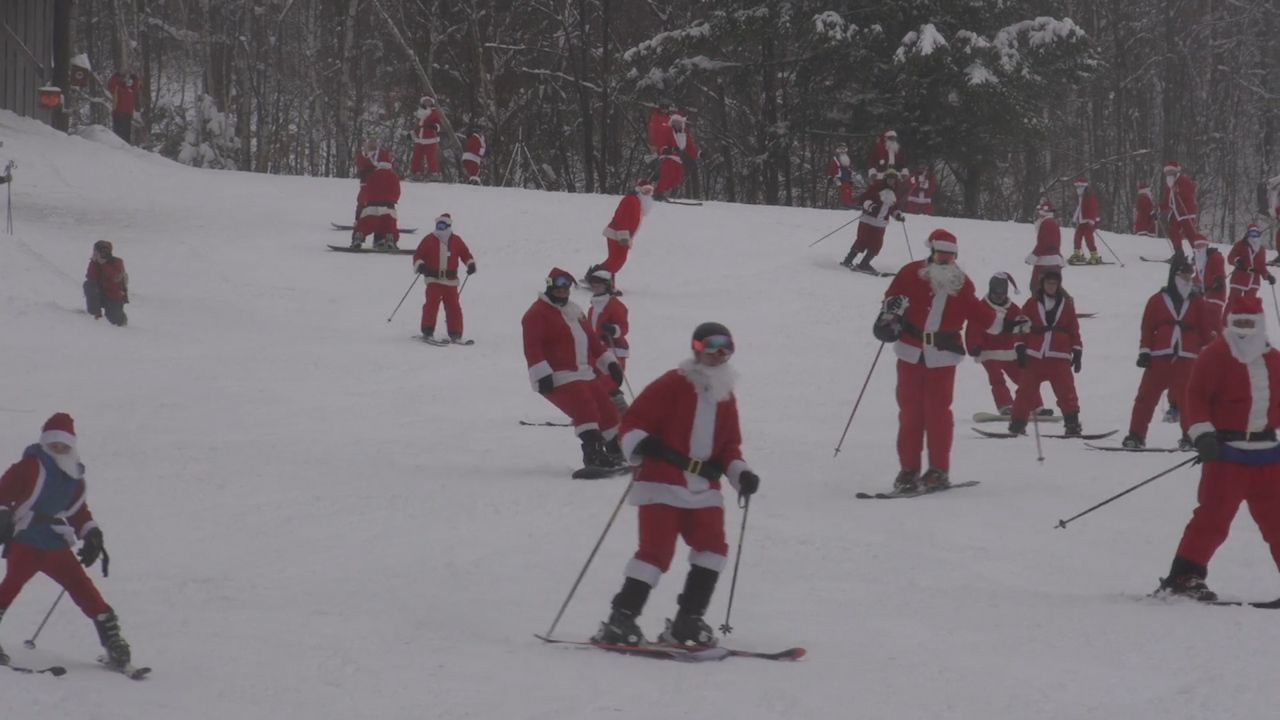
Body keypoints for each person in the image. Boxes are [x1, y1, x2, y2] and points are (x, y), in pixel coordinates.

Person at [591, 322, 759, 648]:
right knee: (656, 552)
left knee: (712, 549)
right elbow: (634, 422)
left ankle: (688, 619)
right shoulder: (674, 383)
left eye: (726, 347)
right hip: (663, 482)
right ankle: (621, 618)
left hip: (704, 488)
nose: (719, 354)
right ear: (697, 349)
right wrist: (643, 443)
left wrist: (741, 474)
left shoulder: (725, 395)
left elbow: (729, 448)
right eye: (712, 346)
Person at [873, 229, 1028, 492]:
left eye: (950, 256)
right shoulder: (910, 273)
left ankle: (938, 470)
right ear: (931, 253)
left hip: (943, 357)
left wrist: (1009, 324)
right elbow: (890, 303)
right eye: (940, 255)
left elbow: (980, 314)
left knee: (937, 415)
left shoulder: (961, 284)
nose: (944, 261)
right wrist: (890, 313)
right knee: (910, 414)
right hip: (910, 352)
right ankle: (908, 470)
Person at [1154, 295, 1280, 602]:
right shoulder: (1215, 355)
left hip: (1268, 454)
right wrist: (1202, 434)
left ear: (1261, 324)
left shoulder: (1275, 360)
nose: (1244, 331)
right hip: (1226, 454)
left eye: (1250, 324)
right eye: (1239, 323)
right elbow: (1194, 396)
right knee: (1213, 517)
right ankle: (1185, 576)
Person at [0, 413, 132, 668]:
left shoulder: (74, 476)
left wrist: (91, 533)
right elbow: (3, 492)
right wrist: (4, 515)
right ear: (45, 443)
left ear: (72, 445)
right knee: (13, 583)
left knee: (80, 585)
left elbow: (77, 512)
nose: (59, 449)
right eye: (54, 445)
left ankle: (113, 641)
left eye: (64, 445)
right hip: (26, 537)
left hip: (54, 541)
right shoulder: (30, 465)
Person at [522, 268, 627, 471]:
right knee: (585, 408)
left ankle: (615, 451)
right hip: (558, 375)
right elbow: (532, 347)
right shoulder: (537, 314)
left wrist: (610, 363)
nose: (563, 290)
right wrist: (541, 373)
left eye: (567, 286)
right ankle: (593, 456)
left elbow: (592, 341)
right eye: (559, 285)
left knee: (606, 407)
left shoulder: (574, 311)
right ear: (550, 285)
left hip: (584, 372)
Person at [1121, 258, 1214, 450]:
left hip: (1187, 357)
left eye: (1190, 275)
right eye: (1183, 274)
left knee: (1188, 399)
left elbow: (1205, 330)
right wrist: (1145, 351)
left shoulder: (1197, 302)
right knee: (1146, 397)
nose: (1187, 279)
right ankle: (1136, 434)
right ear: (1174, 276)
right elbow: (1147, 327)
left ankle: (1190, 436)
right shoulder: (1157, 300)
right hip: (1159, 356)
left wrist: (1210, 350)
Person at [1007, 269, 1084, 437]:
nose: (1051, 286)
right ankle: (1017, 424)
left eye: (1054, 283)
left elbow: (1074, 329)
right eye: (1048, 283)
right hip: (1035, 355)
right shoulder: (1031, 303)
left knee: (1066, 391)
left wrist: (1077, 350)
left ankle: (1072, 423)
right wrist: (1020, 347)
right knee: (1025, 392)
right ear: (1042, 284)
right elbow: (1021, 326)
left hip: (1059, 355)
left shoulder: (1066, 305)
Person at [965, 273, 1042, 417]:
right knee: (997, 379)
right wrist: (974, 346)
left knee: (1024, 379)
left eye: (1002, 293)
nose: (998, 296)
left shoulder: (1013, 309)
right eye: (995, 292)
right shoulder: (981, 308)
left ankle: (1036, 406)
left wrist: (1027, 344)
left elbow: (1024, 327)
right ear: (990, 290)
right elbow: (974, 329)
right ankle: (1006, 405)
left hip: (1011, 353)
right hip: (989, 353)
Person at [413, 214, 475, 343]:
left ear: (449, 226)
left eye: (443, 225)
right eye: (438, 225)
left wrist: (470, 264)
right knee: (431, 305)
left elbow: (465, 254)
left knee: (454, 307)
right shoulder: (429, 239)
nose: (440, 228)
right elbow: (418, 255)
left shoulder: (456, 241)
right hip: (434, 279)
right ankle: (428, 330)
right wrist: (420, 265)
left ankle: (455, 332)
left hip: (451, 281)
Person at [585, 267, 631, 415]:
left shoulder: (615, 305)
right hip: (597, 349)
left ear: (607, 286)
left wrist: (612, 330)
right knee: (597, 379)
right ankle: (602, 410)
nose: (596, 289)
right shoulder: (593, 307)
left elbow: (624, 327)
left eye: (599, 286)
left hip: (613, 348)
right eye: (594, 286)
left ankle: (619, 410)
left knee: (610, 380)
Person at [840, 168, 905, 272]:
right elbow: (864, 199)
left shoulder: (895, 193)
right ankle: (848, 260)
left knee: (876, 244)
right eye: (889, 179)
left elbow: (893, 208)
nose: (891, 181)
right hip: (867, 220)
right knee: (862, 241)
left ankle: (864, 263)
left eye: (893, 179)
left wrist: (897, 215)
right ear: (885, 179)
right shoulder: (875, 188)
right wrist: (871, 206)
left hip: (881, 223)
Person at [598, 179, 656, 281]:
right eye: (645, 189)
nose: (648, 192)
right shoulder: (631, 200)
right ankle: (599, 279)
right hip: (617, 234)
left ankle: (601, 279)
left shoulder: (638, 202)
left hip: (622, 235)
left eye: (650, 190)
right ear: (639, 190)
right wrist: (623, 235)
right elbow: (622, 217)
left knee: (618, 259)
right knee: (616, 259)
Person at [352, 151, 401, 251]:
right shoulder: (394, 176)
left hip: (372, 205)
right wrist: (393, 200)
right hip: (388, 206)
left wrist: (367, 201)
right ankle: (390, 238)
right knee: (389, 225)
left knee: (365, 224)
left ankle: (359, 236)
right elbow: (397, 191)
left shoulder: (372, 175)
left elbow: (367, 189)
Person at [1225, 224, 1273, 317]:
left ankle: (1246, 327)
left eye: (1256, 233)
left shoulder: (1261, 249)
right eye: (1252, 233)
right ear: (1247, 234)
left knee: (1249, 306)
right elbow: (1231, 257)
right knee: (1232, 303)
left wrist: (1267, 275)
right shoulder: (1240, 245)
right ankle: (1225, 325)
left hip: (1254, 281)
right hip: (1239, 278)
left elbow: (1262, 266)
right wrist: (1237, 261)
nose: (1254, 236)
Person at [652, 114, 699, 201]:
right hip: (668, 156)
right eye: (675, 122)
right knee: (668, 174)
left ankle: (665, 191)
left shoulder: (685, 133)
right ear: (672, 122)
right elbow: (662, 143)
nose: (677, 124)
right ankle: (658, 192)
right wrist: (665, 149)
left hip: (678, 158)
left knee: (678, 177)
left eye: (679, 122)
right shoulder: (667, 130)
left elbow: (690, 147)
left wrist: (699, 153)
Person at [84, 240, 128, 326]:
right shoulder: (95, 263)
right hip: (99, 293)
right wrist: (94, 262)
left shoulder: (117, 262)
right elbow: (91, 278)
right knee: (89, 284)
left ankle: (122, 318)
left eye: (104, 252)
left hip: (113, 295)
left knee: (114, 322)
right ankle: (95, 314)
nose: (102, 255)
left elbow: (115, 278)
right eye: (99, 252)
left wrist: (104, 264)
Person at [1160, 161, 1198, 257]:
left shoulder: (1183, 180)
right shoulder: (1169, 183)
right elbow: (1168, 200)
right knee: (1173, 231)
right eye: (1167, 171)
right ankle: (1178, 251)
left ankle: (1197, 253)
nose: (1169, 173)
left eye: (1171, 171)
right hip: (1176, 212)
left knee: (1190, 233)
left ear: (1176, 171)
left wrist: (1179, 192)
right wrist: (1159, 209)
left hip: (1186, 212)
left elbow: (1189, 193)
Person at [1191, 235, 1227, 337]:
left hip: (1215, 294)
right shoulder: (1199, 259)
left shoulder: (1214, 256)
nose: (1199, 248)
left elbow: (1219, 268)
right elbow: (1198, 277)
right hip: (1204, 296)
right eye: (1197, 246)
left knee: (1214, 321)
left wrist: (1218, 278)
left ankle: (1220, 343)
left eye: (1201, 245)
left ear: (1206, 245)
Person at [1026, 200, 1065, 292]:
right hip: (1054, 259)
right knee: (1054, 287)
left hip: (1045, 261)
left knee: (1036, 286)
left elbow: (1043, 243)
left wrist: (1033, 256)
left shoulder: (1046, 223)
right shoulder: (1053, 223)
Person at [1069, 176, 1101, 265]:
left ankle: (1094, 254)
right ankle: (1077, 253)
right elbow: (1080, 208)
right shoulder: (1081, 196)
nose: (1077, 189)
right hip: (1082, 221)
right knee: (1077, 237)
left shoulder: (1089, 196)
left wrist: (1091, 219)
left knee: (1089, 238)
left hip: (1088, 222)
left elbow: (1093, 208)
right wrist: (1076, 217)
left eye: (1079, 187)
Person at [410, 96, 443, 179]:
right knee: (416, 156)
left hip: (430, 137)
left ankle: (433, 173)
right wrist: (412, 134)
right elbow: (417, 126)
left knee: (431, 156)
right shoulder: (419, 112)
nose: (427, 103)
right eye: (425, 101)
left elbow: (438, 122)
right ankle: (415, 172)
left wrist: (436, 126)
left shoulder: (434, 112)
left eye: (428, 101)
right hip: (419, 137)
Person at [106, 71, 141, 145]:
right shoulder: (117, 88)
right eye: (121, 77)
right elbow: (112, 85)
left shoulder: (129, 89)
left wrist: (135, 79)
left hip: (128, 115)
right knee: (119, 135)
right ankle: (118, 148)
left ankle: (126, 148)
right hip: (118, 114)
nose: (123, 79)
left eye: (124, 77)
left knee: (126, 134)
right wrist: (116, 76)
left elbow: (136, 86)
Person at [828, 143, 857, 208]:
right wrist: (831, 176)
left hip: (847, 175)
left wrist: (852, 175)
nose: (842, 151)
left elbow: (850, 167)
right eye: (840, 149)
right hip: (839, 176)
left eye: (843, 149)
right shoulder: (836, 158)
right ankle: (846, 204)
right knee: (844, 189)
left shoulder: (847, 158)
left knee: (849, 189)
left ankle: (850, 203)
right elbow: (833, 168)